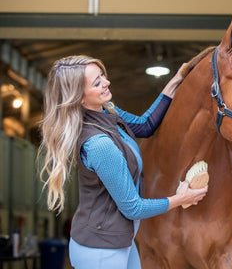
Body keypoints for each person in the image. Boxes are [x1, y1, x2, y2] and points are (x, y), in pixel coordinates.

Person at [39, 55, 208, 269]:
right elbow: (133, 208)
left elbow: (145, 125)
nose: (106, 82)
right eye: (97, 82)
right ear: (79, 98)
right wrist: (181, 198)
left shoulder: (108, 112)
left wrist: (177, 79)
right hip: (100, 251)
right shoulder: (99, 144)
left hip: (119, 241)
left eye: (102, 76)